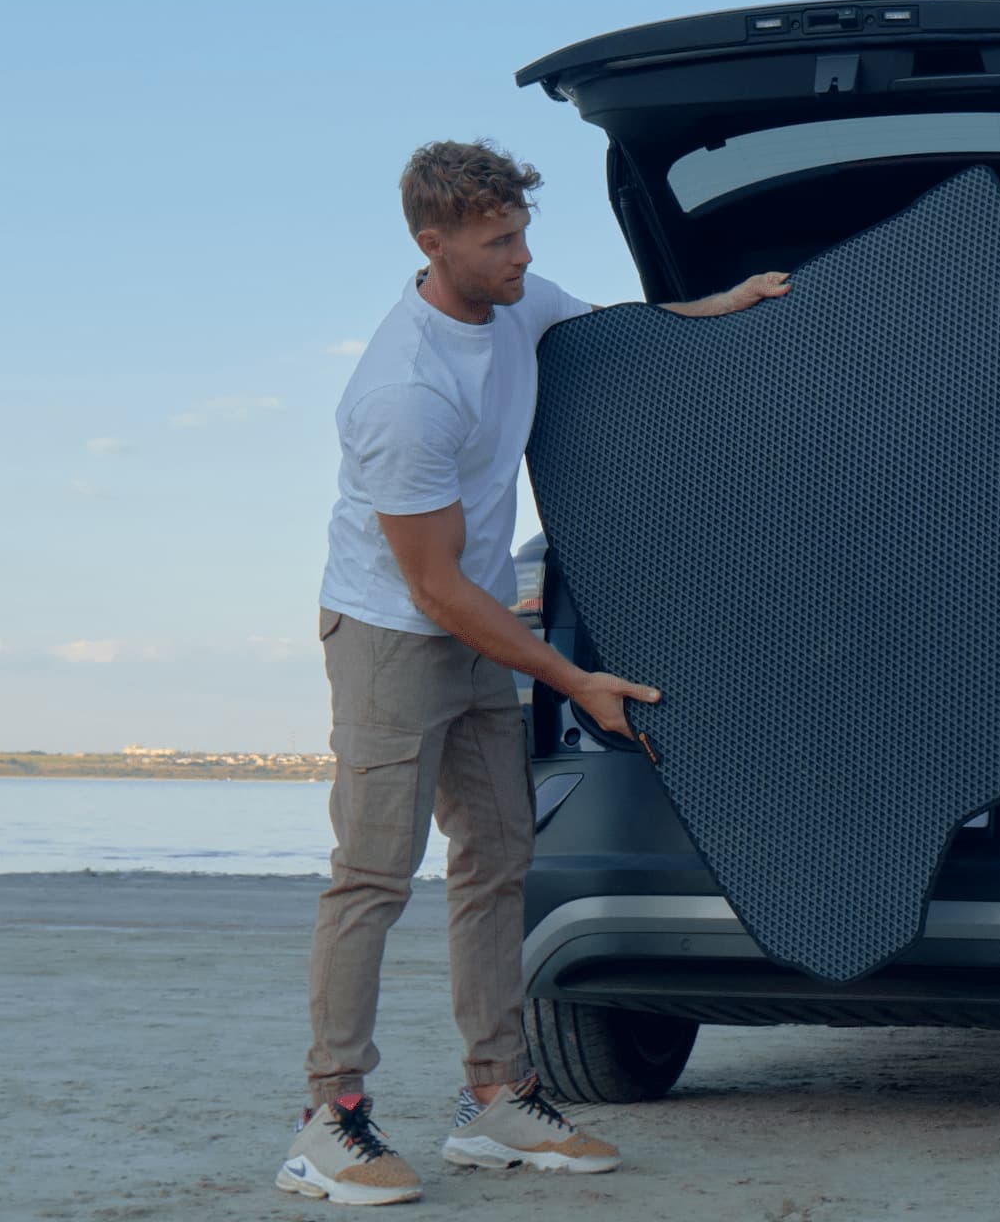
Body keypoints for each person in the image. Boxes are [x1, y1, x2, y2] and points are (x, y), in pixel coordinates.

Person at [277, 138, 789, 1205]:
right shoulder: (403, 393)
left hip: (471, 629)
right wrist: (571, 676)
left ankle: (496, 1096)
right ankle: (330, 1117)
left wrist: (726, 302)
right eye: (498, 239)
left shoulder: (517, 298)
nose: (520, 255)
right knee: (373, 873)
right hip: (393, 635)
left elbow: (614, 334)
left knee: (498, 860)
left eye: (522, 233)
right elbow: (436, 589)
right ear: (433, 244)